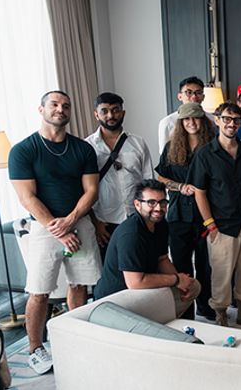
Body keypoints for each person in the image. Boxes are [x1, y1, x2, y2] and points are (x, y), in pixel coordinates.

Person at [9, 90, 101, 374]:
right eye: (54, 104)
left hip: (79, 223)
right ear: (41, 109)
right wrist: (59, 231)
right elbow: (27, 198)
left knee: (80, 285)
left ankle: (75, 338)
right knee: (39, 291)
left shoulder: (82, 149)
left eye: (66, 106)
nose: (60, 109)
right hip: (43, 227)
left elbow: (92, 191)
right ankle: (35, 347)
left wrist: (72, 220)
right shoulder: (23, 150)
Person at [188, 102, 241, 330]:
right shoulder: (205, 155)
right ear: (217, 120)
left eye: (236, 120)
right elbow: (199, 193)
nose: (231, 124)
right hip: (222, 226)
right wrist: (210, 225)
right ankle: (221, 313)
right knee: (221, 274)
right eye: (227, 119)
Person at [95, 180, 201, 316]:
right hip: (117, 300)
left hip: (142, 291)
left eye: (163, 202)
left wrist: (180, 283)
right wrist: (176, 279)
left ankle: (161, 321)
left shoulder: (160, 223)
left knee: (193, 286)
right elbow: (135, 283)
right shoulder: (131, 234)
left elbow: (162, 259)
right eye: (151, 202)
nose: (158, 208)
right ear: (137, 204)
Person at [156, 102, 216, 320]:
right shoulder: (171, 146)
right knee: (181, 266)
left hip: (204, 214)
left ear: (203, 120)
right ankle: (185, 309)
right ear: (181, 122)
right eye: (187, 119)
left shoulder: (212, 145)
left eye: (196, 118)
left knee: (205, 265)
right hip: (178, 215)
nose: (192, 123)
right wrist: (179, 187)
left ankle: (205, 305)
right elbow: (160, 176)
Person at [85, 92, 155, 261]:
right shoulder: (87, 146)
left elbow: (148, 182)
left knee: (139, 267)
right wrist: (96, 223)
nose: (110, 115)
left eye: (116, 110)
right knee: (109, 272)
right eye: (104, 111)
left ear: (123, 113)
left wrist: (149, 219)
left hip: (136, 217)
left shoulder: (138, 143)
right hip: (104, 222)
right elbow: (84, 190)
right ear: (96, 114)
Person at [157, 76, 216, 152]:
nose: (194, 96)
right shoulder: (167, 123)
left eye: (198, 93)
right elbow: (163, 153)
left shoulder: (213, 120)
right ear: (180, 96)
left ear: (203, 97)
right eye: (189, 92)